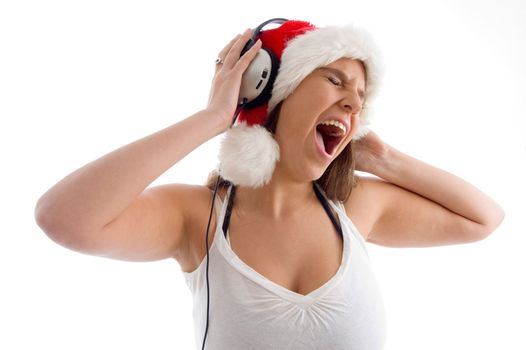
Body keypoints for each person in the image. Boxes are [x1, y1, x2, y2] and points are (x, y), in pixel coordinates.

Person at [34, 19, 505, 350]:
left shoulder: (355, 208)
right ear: (266, 90)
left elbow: (483, 218)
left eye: (360, 98)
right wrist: (214, 118)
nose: (351, 105)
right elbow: (63, 218)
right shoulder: (197, 219)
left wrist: (387, 159)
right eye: (335, 81)